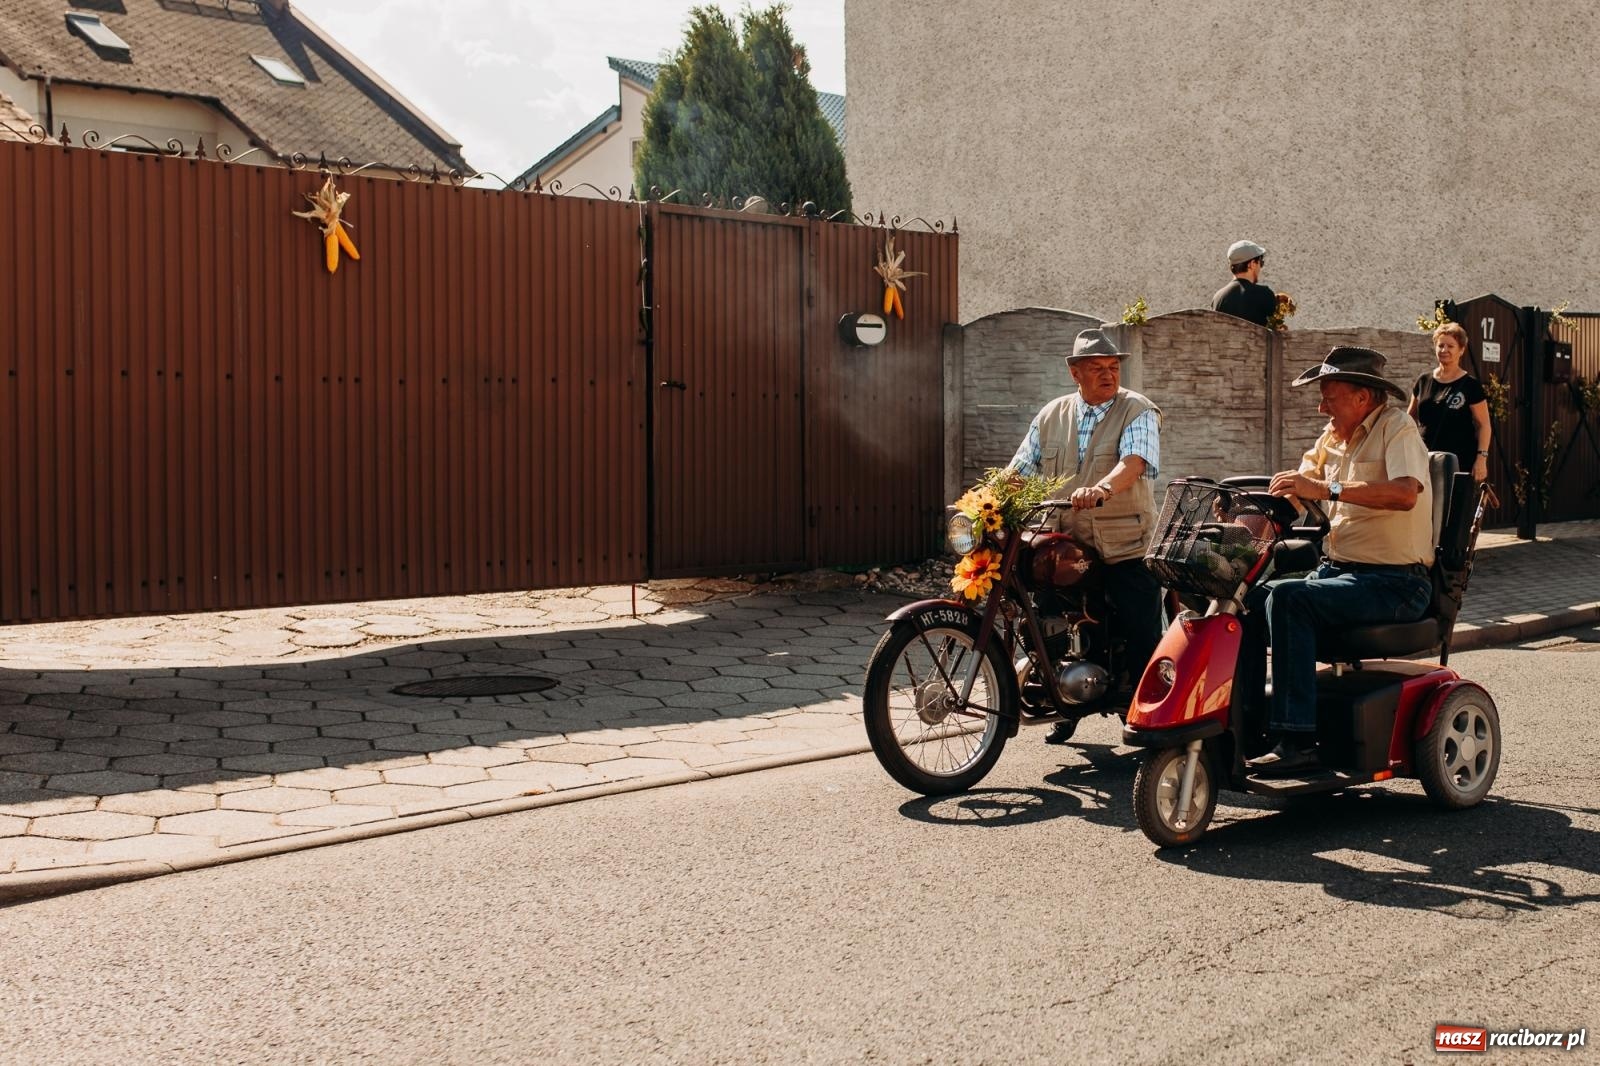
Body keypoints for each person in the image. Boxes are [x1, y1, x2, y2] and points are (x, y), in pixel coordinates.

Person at [1250, 346, 1435, 774]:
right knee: (1251, 600)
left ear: (1362, 398)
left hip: (1396, 583)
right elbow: (1294, 495)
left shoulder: (1397, 427)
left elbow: (1406, 492)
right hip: (1341, 572)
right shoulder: (1331, 438)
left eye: (1329, 396)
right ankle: (1251, 720)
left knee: (1292, 599)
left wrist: (1329, 490)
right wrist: (1241, 524)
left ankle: (1297, 741)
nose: (1321, 406)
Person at [1006, 328, 1164, 743]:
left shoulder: (1137, 410)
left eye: (1113, 367)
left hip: (1123, 542)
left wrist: (1103, 488)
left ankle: (1152, 713)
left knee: (1139, 624)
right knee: (1042, 619)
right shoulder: (1052, 414)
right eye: (1096, 368)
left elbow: (1134, 462)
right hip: (1065, 543)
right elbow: (1021, 467)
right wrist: (989, 496)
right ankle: (1066, 696)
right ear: (1075, 373)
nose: (1108, 375)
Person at [1408, 322, 1491, 482]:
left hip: (1459, 464)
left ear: (1461, 350)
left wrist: (1481, 459)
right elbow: (1409, 419)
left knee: (1454, 506)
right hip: (1425, 461)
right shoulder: (1423, 381)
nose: (1444, 350)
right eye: (1441, 345)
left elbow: (1484, 425)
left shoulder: (1470, 385)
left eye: (1451, 346)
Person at [1210, 239, 1277, 327]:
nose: (1260, 267)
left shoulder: (1217, 298)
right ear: (1252, 264)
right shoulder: (1265, 294)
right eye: (1261, 262)